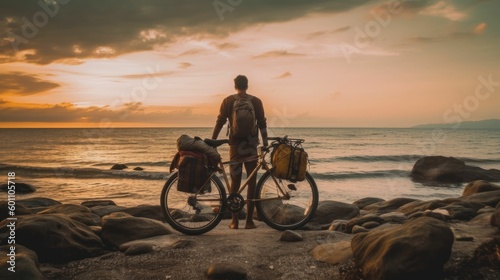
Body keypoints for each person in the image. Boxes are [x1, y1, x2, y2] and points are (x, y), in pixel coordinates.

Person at [212, 74, 268, 229]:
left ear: (235, 86)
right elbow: (262, 123)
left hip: (235, 146)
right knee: (251, 183)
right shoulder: (256, 101)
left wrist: (213, 142)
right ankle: (249, 221)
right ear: (247, 85)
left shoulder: (228, 101)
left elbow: (220, 122)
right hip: (251, 146)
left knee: (235, 183)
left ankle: (234, 221)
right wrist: (265, 143)